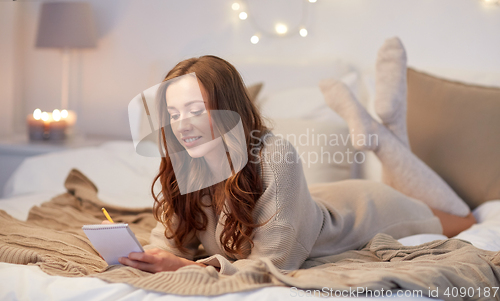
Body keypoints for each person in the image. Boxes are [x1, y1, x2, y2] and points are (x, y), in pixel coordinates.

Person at [116, 39, 476, 275]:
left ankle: (383, 130)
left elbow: (273, 264)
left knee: (466, 218)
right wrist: (141, 254)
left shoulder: (276, 156)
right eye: (174, 114)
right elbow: (171, 240)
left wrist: (180, 268)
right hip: (316, 200)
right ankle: (384, 127)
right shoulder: (187, 164)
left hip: (365, 211)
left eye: (194, 110)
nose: (182, 125)